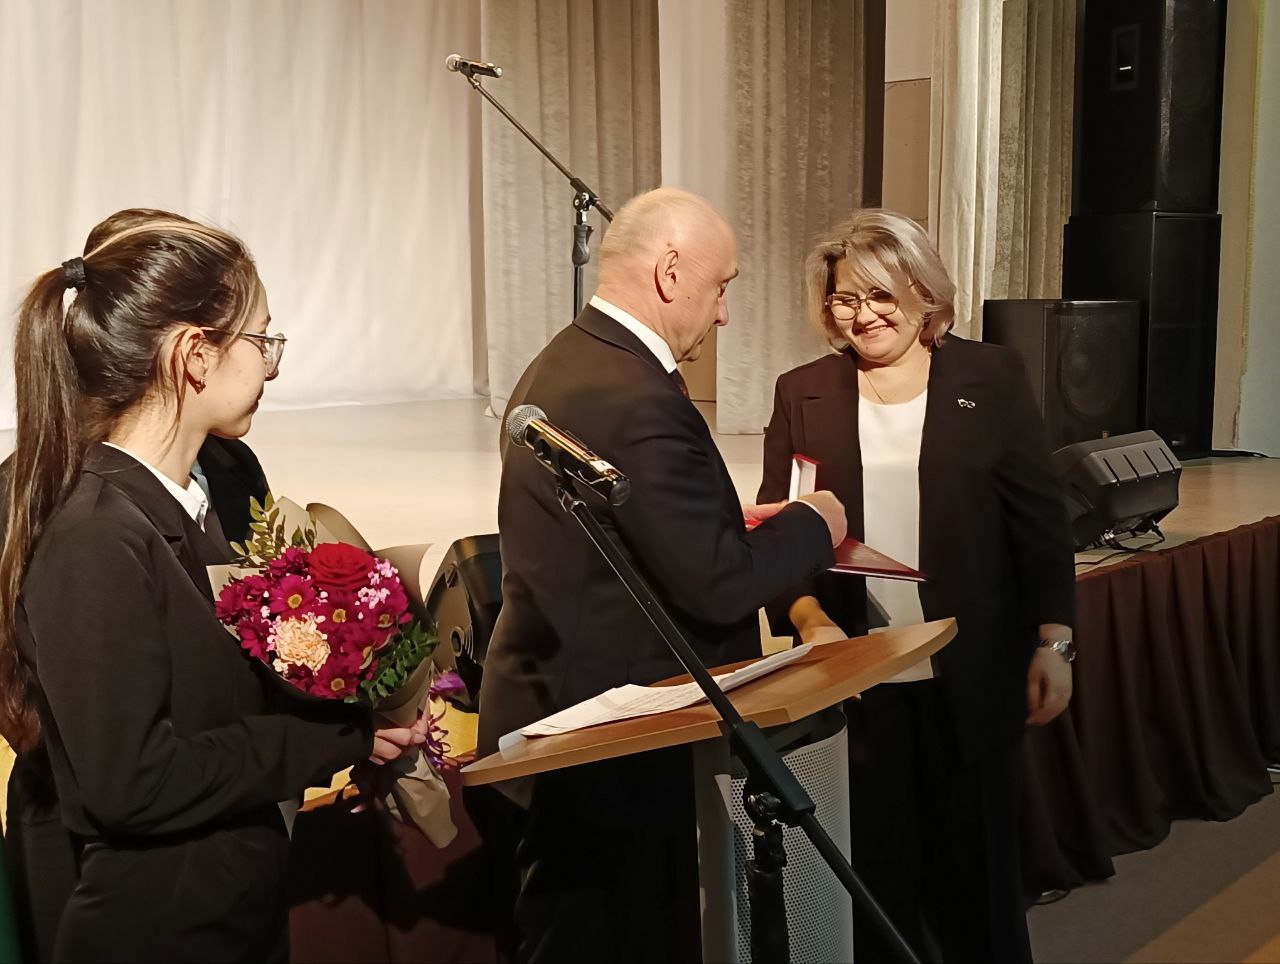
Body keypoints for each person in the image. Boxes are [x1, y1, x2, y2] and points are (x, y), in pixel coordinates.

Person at [0, 210, 426, 963]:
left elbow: (214, 698)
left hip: (225, 902)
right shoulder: (93, 532)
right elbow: (130, 781)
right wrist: (329, 739)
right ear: (195, 355)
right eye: (262, 340)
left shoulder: (185, 497)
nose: (272, 365)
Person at [475, 187, 847, 962]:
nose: (724, 313)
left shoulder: (574, 358)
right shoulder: (634, 395)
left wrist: (718, 522)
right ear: (672, 272)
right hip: (608, 745)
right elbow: (717, 584)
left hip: (569, 718)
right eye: (723, 286)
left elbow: (633, 533)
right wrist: (817, 523)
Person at [758, 210, 1076, 962]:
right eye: (845, 297)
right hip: (860, 679)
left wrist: (1055, 641)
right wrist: (810, 620)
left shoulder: (991, 376)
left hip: (973, 669)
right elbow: (781, 532)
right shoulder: (802, 391)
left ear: (924, 296)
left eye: (882, 296)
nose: (863, 314)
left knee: (981, 883)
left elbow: (1038, 520)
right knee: (877, 882)